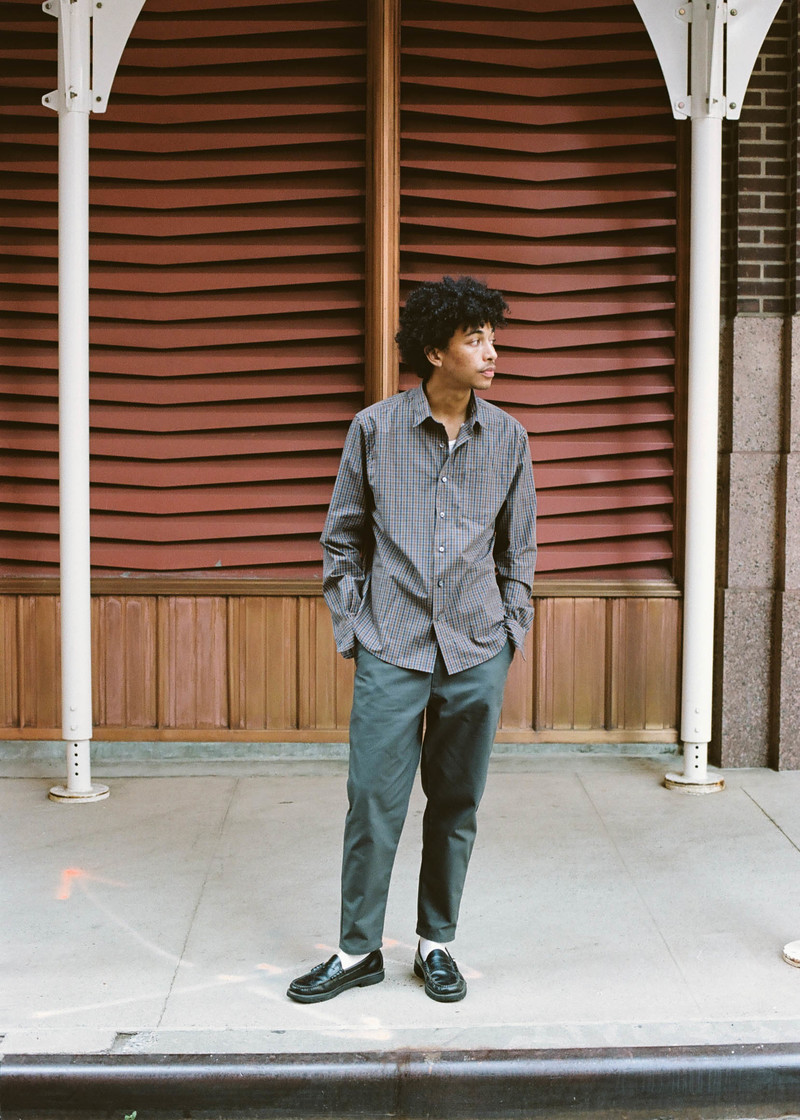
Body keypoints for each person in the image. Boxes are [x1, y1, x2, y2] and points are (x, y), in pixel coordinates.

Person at [287, 275, 537, 1004]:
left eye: (492, 337)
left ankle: (436, 944)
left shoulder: (509, 438)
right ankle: (357, 950)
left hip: (476, 648)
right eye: (475, 339)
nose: (491, 352)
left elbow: (518, 550)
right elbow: (341, 540)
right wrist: (355, 629)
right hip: (391, 645)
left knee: (456, 802)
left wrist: (510, 633)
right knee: (373, 801)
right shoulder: (374, 430)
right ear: (435, 351)